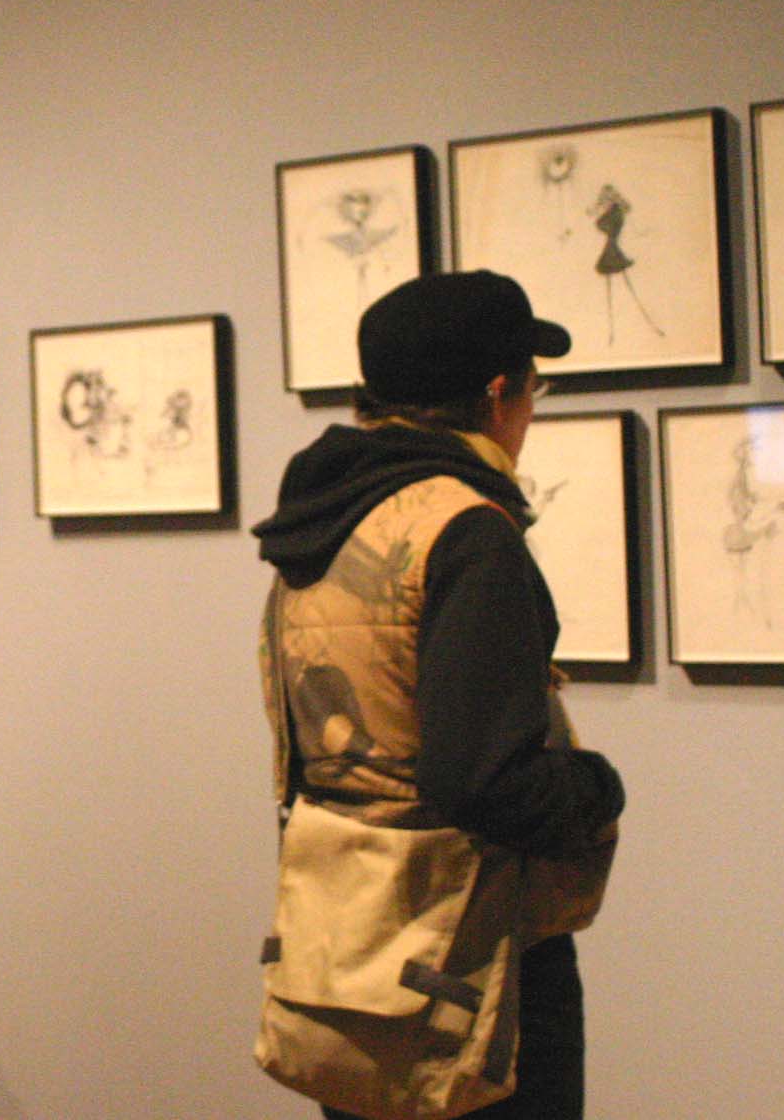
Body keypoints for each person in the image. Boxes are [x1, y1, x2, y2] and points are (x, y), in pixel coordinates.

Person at [252, 270, 624, 1120]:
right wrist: (597, 788)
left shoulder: (329, 517)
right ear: (498, 394)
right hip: (472, 957)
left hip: (349, 944)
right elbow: (482, 779)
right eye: (533, 387)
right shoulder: (464, 530)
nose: (530, 410)